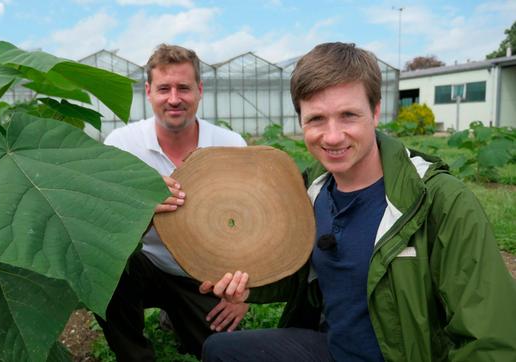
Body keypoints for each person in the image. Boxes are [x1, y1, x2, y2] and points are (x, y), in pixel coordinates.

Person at [200, 42, 516, 361]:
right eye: (316, 119)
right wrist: (249, 287)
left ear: (375, 111)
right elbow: (296, 272)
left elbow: (489, 336)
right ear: (300, 121)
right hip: (334, 349)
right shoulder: (311, 190)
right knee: (220, 351)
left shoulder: (438, 199)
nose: (333, 136)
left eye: (348, 115)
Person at [96, 43, 249, 361]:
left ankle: (178, 316)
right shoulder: (123, 146)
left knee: (217, 349)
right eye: (164, 88)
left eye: (184, 88)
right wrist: (142, 209)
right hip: (145, 264)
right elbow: (101, 222)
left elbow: (252, 226)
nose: (174, 98)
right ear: (149, 92)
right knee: (108, 268)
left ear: (200, 90)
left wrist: (244, 295)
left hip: (203, 274)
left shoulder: (230, 146)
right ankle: (135, 354)